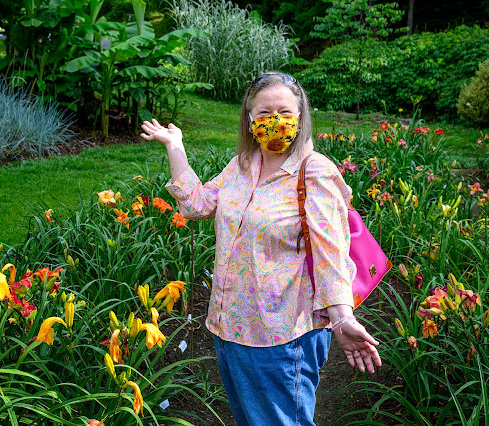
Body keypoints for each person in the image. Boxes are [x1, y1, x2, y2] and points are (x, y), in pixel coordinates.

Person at [140, 71, 382, 426]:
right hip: (230, 329)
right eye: (265, 114)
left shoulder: (314, 172)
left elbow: (332, 252)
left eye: (284, 112)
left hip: (281, 337)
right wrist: (175, 146)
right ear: (250, 120)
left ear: (300, 117)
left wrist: (342, 317)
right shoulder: (242, 166)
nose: (275, 121)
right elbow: (196, 204)